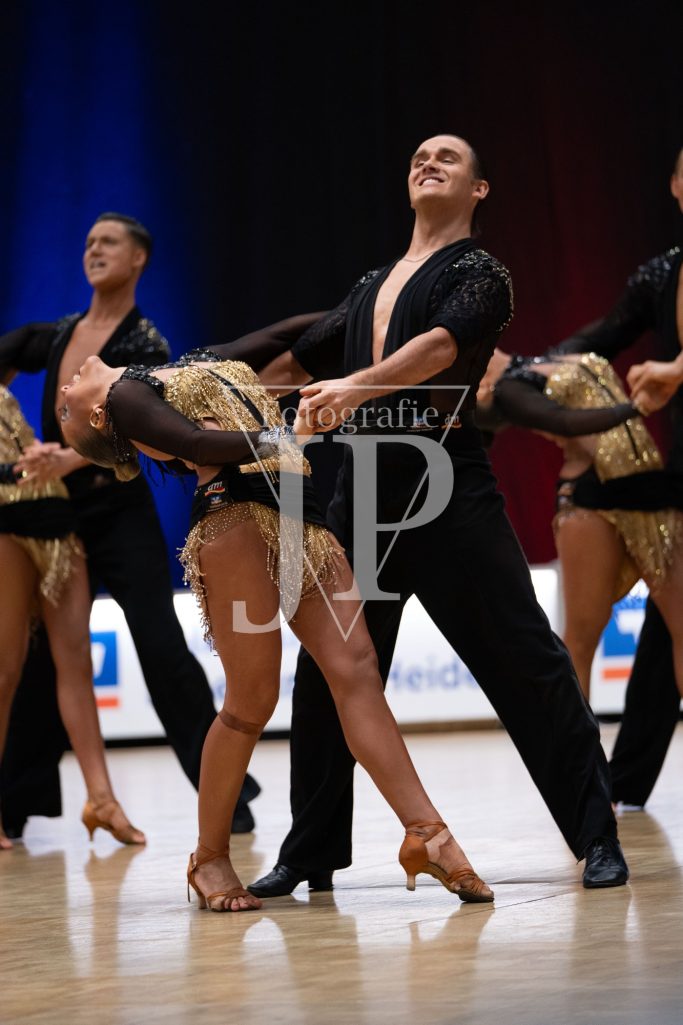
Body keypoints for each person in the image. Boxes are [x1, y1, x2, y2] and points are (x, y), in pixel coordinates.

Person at [246, 133, 628, 897]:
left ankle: (595, 835)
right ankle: (309, 850)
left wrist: (352, 388)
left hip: (447, 490)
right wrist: (208, 389)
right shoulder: (372, 283)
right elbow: (297, 358)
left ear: (478, 190)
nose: (428, 163)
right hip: (361, 498)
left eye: (447, 158)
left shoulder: (480, 273)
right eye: (419, 157)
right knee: (327, 673)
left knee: (529, 665)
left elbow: (438, 348)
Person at [58, 344, 495, 912]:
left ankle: (427, 833)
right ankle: (209, 858)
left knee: (357, 672)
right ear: (98, 417)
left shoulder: (185, 365)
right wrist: (283, 437)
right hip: (235, 519)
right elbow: (197, 444)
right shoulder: (126, 397)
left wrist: (362, 318)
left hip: (300, 515)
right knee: (250, 703)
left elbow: (292, 340)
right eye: (64, 409)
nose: (62, 389)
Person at [0, 213, 259, 836]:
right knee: (39, 656)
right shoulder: (57, 333)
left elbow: (132, 426)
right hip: (54, 516)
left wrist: (61, 457)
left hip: (118, 513)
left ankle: (228, 795)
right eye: (89, 242)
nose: (94, 250)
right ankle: (16, 801)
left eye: (108, 242)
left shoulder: (145, 344)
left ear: (137, 258)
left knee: (160, 646)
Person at [547, 146, 683, 808]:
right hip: (675, 475)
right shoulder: (663, 274)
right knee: (663, 628)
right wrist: (530, 372)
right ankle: (606, 782)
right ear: (675, 185)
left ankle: (620, 780)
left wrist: (676, 370)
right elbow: (601, 336)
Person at [475, 348, 683, 700]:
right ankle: (574, 737)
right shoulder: (508, 391)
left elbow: (612, 328)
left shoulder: (546, 357)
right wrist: (635, 408)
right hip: (590, 496)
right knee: (582, 638)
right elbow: (563, 421)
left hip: (648, 489)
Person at [0, 384, 144, 849]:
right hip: (7, 518)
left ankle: (102, 799)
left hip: (56, 512)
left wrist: (46, 455)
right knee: (5, 671)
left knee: (77, 660)